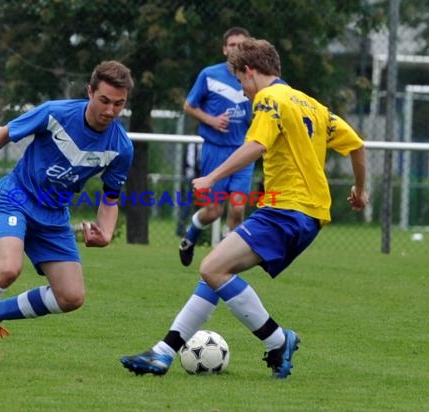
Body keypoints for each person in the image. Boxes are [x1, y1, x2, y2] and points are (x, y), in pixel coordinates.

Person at [120, 38, 368, 379]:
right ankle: (163, 353)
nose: (243, 91)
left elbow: (256, 144)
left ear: (249, 71)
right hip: (307, 213)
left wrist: (212, 177)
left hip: (286, 210)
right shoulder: (311, 104)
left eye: (240, 82)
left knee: (212, 268)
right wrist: (360, 190)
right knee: (217, 274)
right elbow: (357, 145)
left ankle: (278, 341)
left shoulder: (268, 98)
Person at [0, 60, 134, 368]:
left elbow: (110, 197)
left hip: (54, 214)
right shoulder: (56, 113)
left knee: (72, 297)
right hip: (16, 197)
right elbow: (4, 134)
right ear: (90, 92)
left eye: (119, 104)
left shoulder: (121, 147)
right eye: (104, 101)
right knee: (8, 269)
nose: (111, 111)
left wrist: (106, 233)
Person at [179, 26, 254, 267]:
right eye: (232, 45)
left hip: (243, 151)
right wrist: (211, 120)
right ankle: (190, 237)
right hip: (215, 150)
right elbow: (189, 106)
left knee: (238, 208)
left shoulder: (255, 78)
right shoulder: (209, 75)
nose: (236, 49)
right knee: (213, 211)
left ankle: (225, 258)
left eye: (241, 45)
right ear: (224, 49)